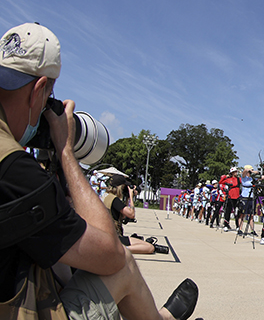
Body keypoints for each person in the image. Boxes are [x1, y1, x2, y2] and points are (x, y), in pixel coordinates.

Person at [0, 23, 197, 319]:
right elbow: (111, 255)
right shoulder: (14, 167)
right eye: (47, 101)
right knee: (124, 265)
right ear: (39, 89)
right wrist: (65, 150)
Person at [102, 174, 169, 254]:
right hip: (114, 238)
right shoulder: (115, 200)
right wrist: (131, 196)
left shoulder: (106, 196)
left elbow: (123, 216)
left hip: (106, 235)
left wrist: (126, 199)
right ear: (119, 187)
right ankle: (121, 249)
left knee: (139, 241)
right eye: (123, 187)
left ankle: (121, 247)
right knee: (149, 247)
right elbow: (131, 214)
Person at [237, 165, 258, 236]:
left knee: (251, 215)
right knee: (242, 214)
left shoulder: (252, 179)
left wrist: (252, 172)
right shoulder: (244, 178)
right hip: (244, 197)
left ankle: (252, 230)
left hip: (251, 197)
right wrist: (248, 170)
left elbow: (258, 173)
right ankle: (240, 229)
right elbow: (244, 171)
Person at [220, 167, 241, 231]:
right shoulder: (228, 179)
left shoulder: (238, 179)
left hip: (236, 197)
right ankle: (226, 225)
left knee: (237, 212)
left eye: (236, 172)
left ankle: (238, 226)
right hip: (230, 197)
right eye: (234, 172)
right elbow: (221, 182)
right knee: (228, 212)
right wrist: (225, 176)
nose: (236, 173)